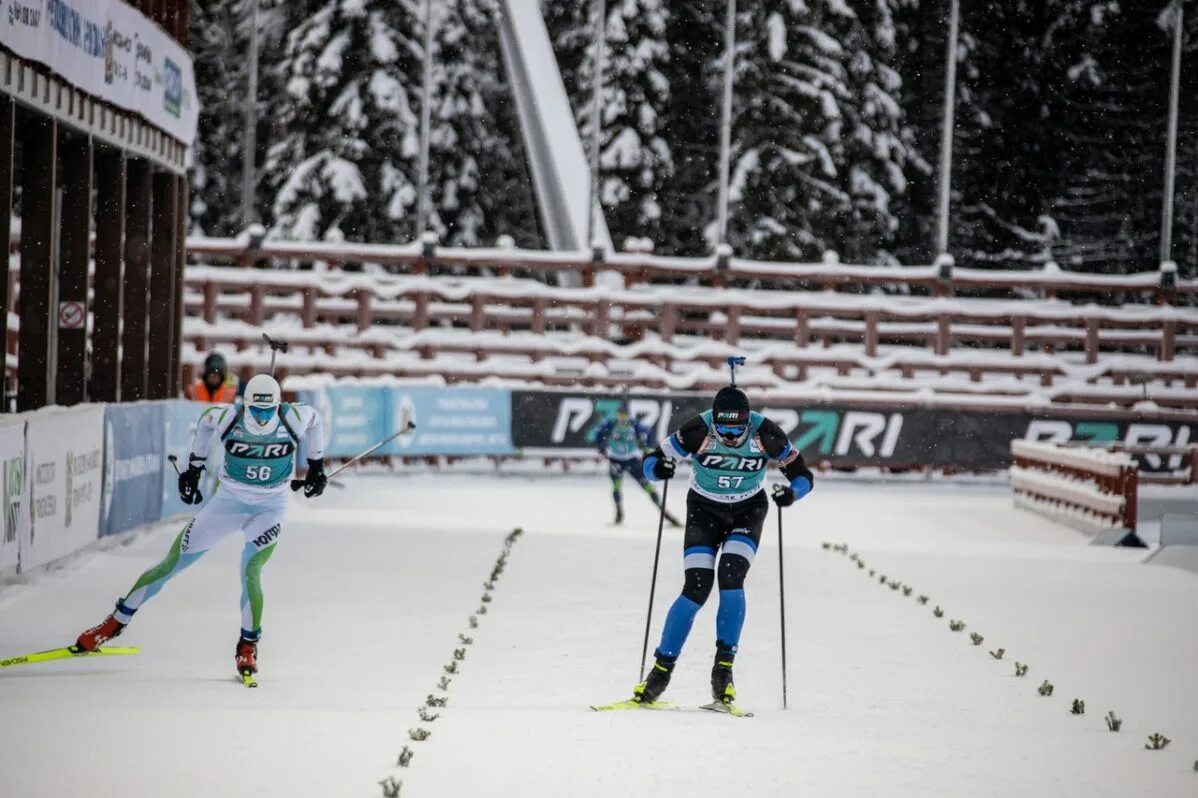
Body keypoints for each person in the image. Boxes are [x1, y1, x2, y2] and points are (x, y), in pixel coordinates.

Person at [73, 374, 327, 682]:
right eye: (255, 411)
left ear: (278, 405)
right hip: (226, 504)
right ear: (244, 404)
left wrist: (316, 465)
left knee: (251, 570)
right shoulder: (228, 416)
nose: (261, 418)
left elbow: (316, 421)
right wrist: (195, 467)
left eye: (267, 411)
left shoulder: (294, 416)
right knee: (170, 564)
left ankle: (248, 645)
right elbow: (206, 423)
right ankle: (114, 623)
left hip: (270, 509)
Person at [630, 383, 813, 709]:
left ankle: (723, 672)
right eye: (723, 429)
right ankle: (660, 673)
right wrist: (659, 469)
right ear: (714, 421)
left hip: (748, 509)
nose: (729, 437)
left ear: (747, 422)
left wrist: (792, 494)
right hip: (704, 510)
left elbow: (803, 475)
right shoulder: (698, 429)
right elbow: (650, 463)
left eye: (736, 430)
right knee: (697, 586)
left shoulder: (766, 433)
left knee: (731, 577)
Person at [590, 399, 680, 527]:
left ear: (628, 415)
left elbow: (648, 432)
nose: (622, 418)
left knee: (647, 486)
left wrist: (647, 449)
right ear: (617, 415)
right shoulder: (611, 424)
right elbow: (598, 434)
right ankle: (619, 513)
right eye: (620, 415)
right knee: (616, 487)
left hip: (631, 460)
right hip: (615, 460)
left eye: (624, 416)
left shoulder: (634, 424)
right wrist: (601, 449)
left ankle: (664, 512)